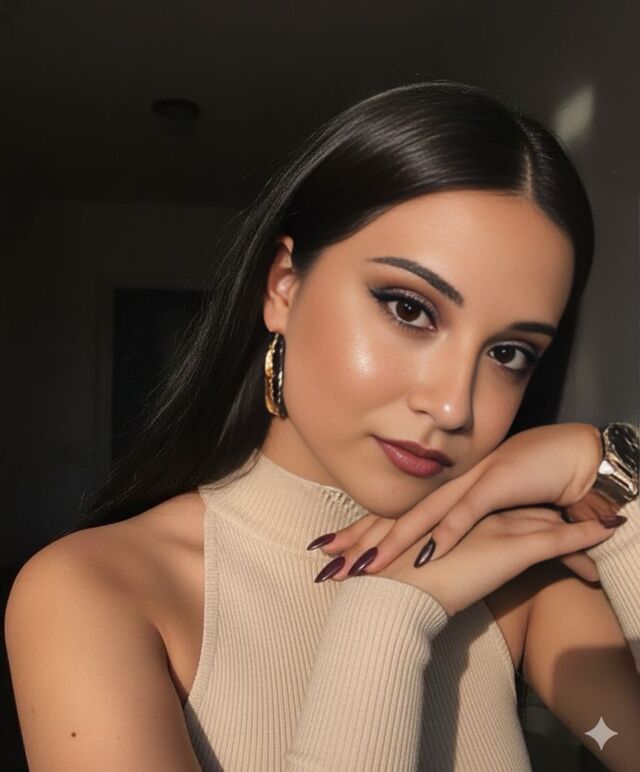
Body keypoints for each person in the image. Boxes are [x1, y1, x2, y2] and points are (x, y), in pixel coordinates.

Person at [5, 80, 640, 772]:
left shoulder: (515, 577)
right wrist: (386, 620)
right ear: (283, 285)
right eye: (409, 308)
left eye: (510, 353)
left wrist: (615, 473)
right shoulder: (95, 592)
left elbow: (625, 742)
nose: (454, 406)